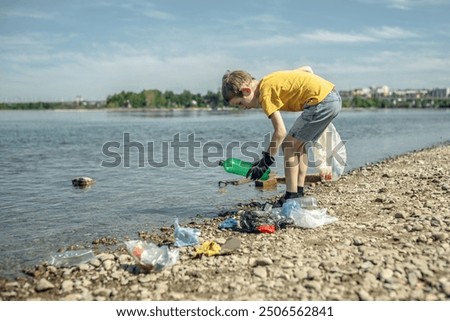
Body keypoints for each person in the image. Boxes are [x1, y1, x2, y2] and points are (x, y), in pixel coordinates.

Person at [221, 66, 341, 202]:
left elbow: (280, 132)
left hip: (321, 103)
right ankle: (298, 191)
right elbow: (307, 69)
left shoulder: (265, 94)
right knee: (299, 145)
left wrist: (265, 162)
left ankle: (291, 196)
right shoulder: (269, 80)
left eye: (240, 103)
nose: (243, 108)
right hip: (332, 97)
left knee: (289, 146)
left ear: (247, 90)